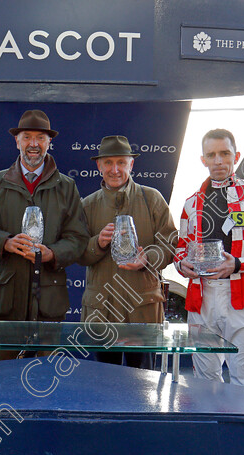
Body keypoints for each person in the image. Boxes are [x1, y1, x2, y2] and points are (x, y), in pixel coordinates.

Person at [0, 109, 88, 359]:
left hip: (49, 300)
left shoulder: (66, 187)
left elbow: (78, 238)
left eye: (40, 138)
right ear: (17, 141)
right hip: (6, 299)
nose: (34, 144)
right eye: (27, 137)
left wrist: (53, 254)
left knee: (44, 379)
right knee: (7, 378)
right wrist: (6, 243)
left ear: (49, 142)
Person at [174, 129, 244, 389]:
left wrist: (237, 263)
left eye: (224, 154)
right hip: (201, 298)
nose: (218, 161)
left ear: (235, 156)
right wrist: (183, 264)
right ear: (203, 159)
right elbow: (181, 247)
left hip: (241, 296)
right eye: (211, 155)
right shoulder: (191, 203)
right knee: (204, 381)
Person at [78, 135, 179, 369]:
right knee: (104, 386)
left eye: (121, 163)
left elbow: (171, 243)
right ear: (99, 166)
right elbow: (77, 252)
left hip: (142, 310)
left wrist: (147, 258)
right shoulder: (87, 205)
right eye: (108, 163)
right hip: (102, 312)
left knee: (143, 385)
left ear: (131, 165)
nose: (115, 169)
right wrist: (98, 243)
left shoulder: (152, 198)